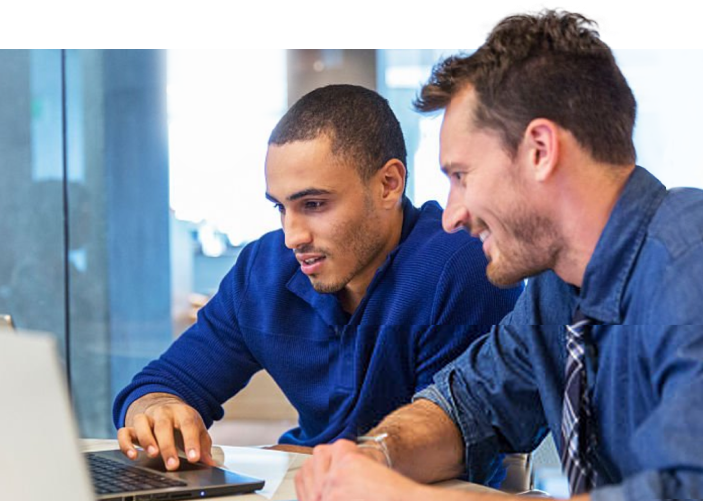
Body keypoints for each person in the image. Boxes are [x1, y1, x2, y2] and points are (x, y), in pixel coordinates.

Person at [295, 11, 703, 501]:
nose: (451, 216)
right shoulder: (558, 289)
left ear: (540, 150)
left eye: (461, 176)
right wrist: (373, 457)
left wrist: (407, 496)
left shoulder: (690, 262)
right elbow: (466, 405)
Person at [113, 84, 523, 473]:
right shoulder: (264, 270)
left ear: (388, 184)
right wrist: (157, 410)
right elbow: (161, 384)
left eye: (313, 204)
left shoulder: (461, 266)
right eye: (280, 208)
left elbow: (453, 438)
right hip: (303, 479)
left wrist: (304, 460)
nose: (292, 236)